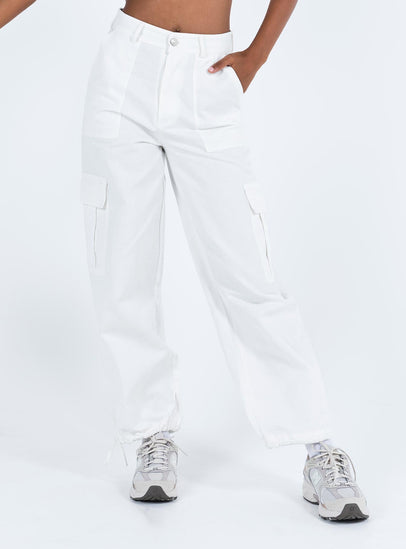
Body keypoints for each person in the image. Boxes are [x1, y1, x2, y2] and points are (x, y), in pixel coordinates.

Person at [1, 0, 369, 521]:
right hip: (125, 71)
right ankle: (152, 434)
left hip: (208, 74)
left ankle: (318, 445)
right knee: (121, 271)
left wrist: (257, 56)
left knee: (249, 276)